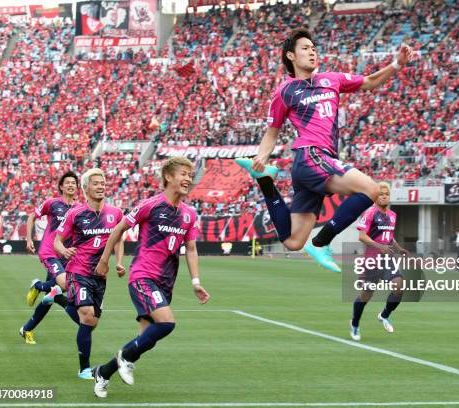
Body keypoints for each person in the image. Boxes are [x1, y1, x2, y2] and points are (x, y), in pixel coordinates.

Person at [235, 28, 413, 272]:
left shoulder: (332, 79)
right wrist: (261, 156)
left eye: (314, 48)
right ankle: (321, 242)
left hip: (318, 163)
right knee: (371, 188)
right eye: (305, 48)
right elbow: (272, 131)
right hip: (311, 155)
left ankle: (266, 182)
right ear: (290, 56)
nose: (312, 52)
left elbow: (370, 82)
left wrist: (396, 64)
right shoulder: (285, 91)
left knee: (293, 241)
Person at [91, 157, 210, 398]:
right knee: (167, 323)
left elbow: (192, 249)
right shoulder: (151, 205)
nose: (188, 179)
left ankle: (103, 372)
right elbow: (118, 229)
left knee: (146, 339)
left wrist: (196, 282)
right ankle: (125, 357)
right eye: (184, 174)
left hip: (166, 283)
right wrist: (105, 260)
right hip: (143, 276)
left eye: (190, 175)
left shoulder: (189, 214)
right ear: (168, 177)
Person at [47, 168, 124, 379]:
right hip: (78, 272)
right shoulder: (75, 213)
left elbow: (118, 239)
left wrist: (118, 262)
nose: (101, 186)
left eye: (103, 183)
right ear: (86, 187)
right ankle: (84, 369)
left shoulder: (115, 213)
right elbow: (57, 242)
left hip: (100, 276)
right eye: (96, 183)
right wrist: (64, 251)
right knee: (88, 316)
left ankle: (59, 299)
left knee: (90, 323)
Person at [20, 171, 81, 345]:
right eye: (67, 183)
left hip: (66, 256)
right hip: (49, 252)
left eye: (73, 183)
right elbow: (32, 216)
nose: (71, 185)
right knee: (62, 285)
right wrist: (29, 238)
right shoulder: (52, 203)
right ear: (61, 187)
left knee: (51, 296)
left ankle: (26, 329)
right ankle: (37, 284)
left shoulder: (80, 209)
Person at [350, 182, 408, 340]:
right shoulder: (369, 213)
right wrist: (379, 246)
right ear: (375, 196)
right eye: (381, 194)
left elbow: (389, 236)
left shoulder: (392, 215)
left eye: (386, 194)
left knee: (399, 286)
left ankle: (384, 315)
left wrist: (398, 248)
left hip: (387, 259)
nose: (384, 196)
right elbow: (362, 236)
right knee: (365, 296)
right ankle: (354, 324)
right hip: (372, 261)